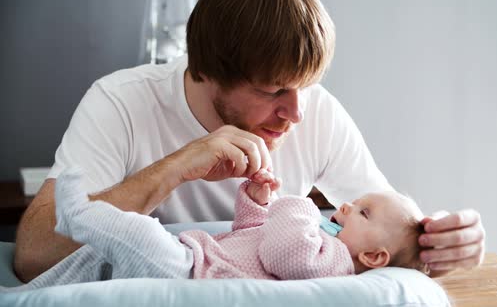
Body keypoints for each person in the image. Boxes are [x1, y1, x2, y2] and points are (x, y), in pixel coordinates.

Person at [14, 0, 485, 283]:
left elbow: (385, 232)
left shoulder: (316, 112)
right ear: (205, 70)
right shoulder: (119, 102)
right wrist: (176, 168)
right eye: (273, 90)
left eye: (306, 86)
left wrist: (440, 244)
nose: (296, 112)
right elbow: (32, 256)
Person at [3, 166, 426, 292]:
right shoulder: (320, 239)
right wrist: (257, 203)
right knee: (93, 259)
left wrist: (297, 202)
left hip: (191, 270)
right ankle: (28, 296)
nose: (349, 205)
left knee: (141, 232)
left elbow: (283, 254)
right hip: (196, 255)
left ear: (372, 257)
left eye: (364, 213)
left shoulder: (334, 261)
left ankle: (80, 214)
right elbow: (253, 236)